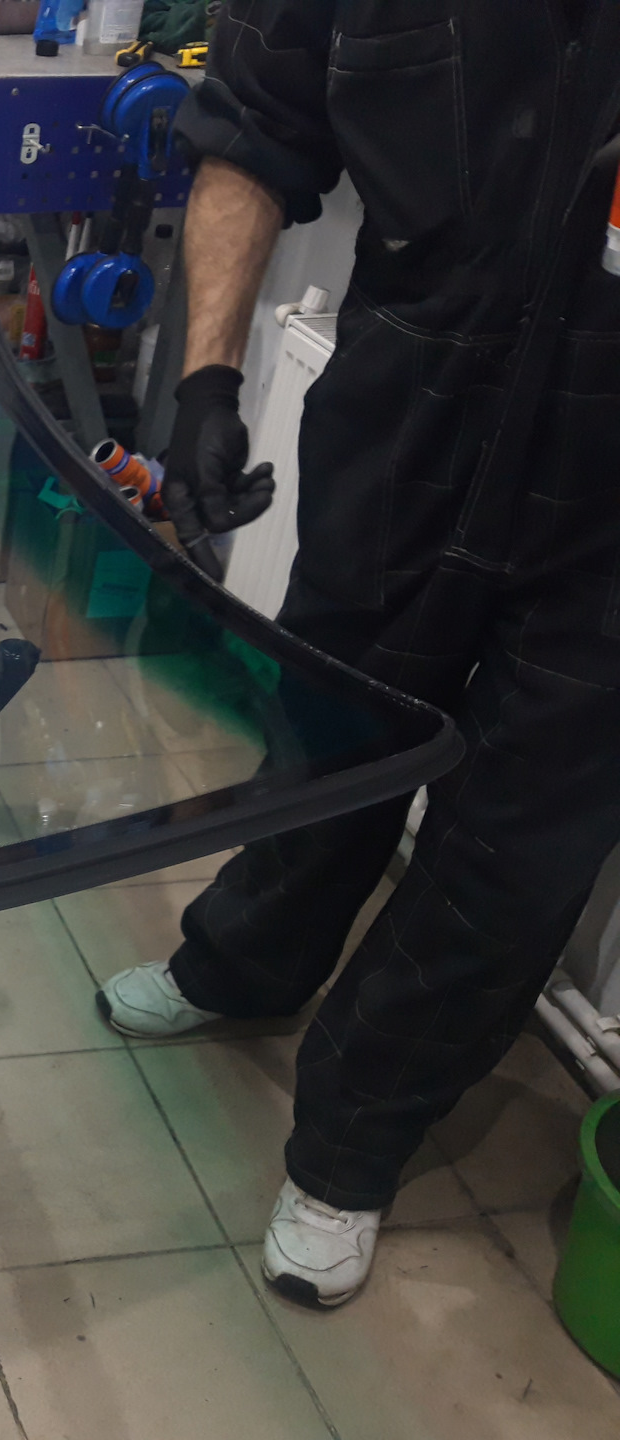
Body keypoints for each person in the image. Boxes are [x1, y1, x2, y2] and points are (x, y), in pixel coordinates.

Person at [94, 0, 620, 1308]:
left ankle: (353, 1145)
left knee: (518, 848)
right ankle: (241, 966)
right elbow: (252, 131)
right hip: (411, 409)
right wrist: (206, 385)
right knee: (331, 735)